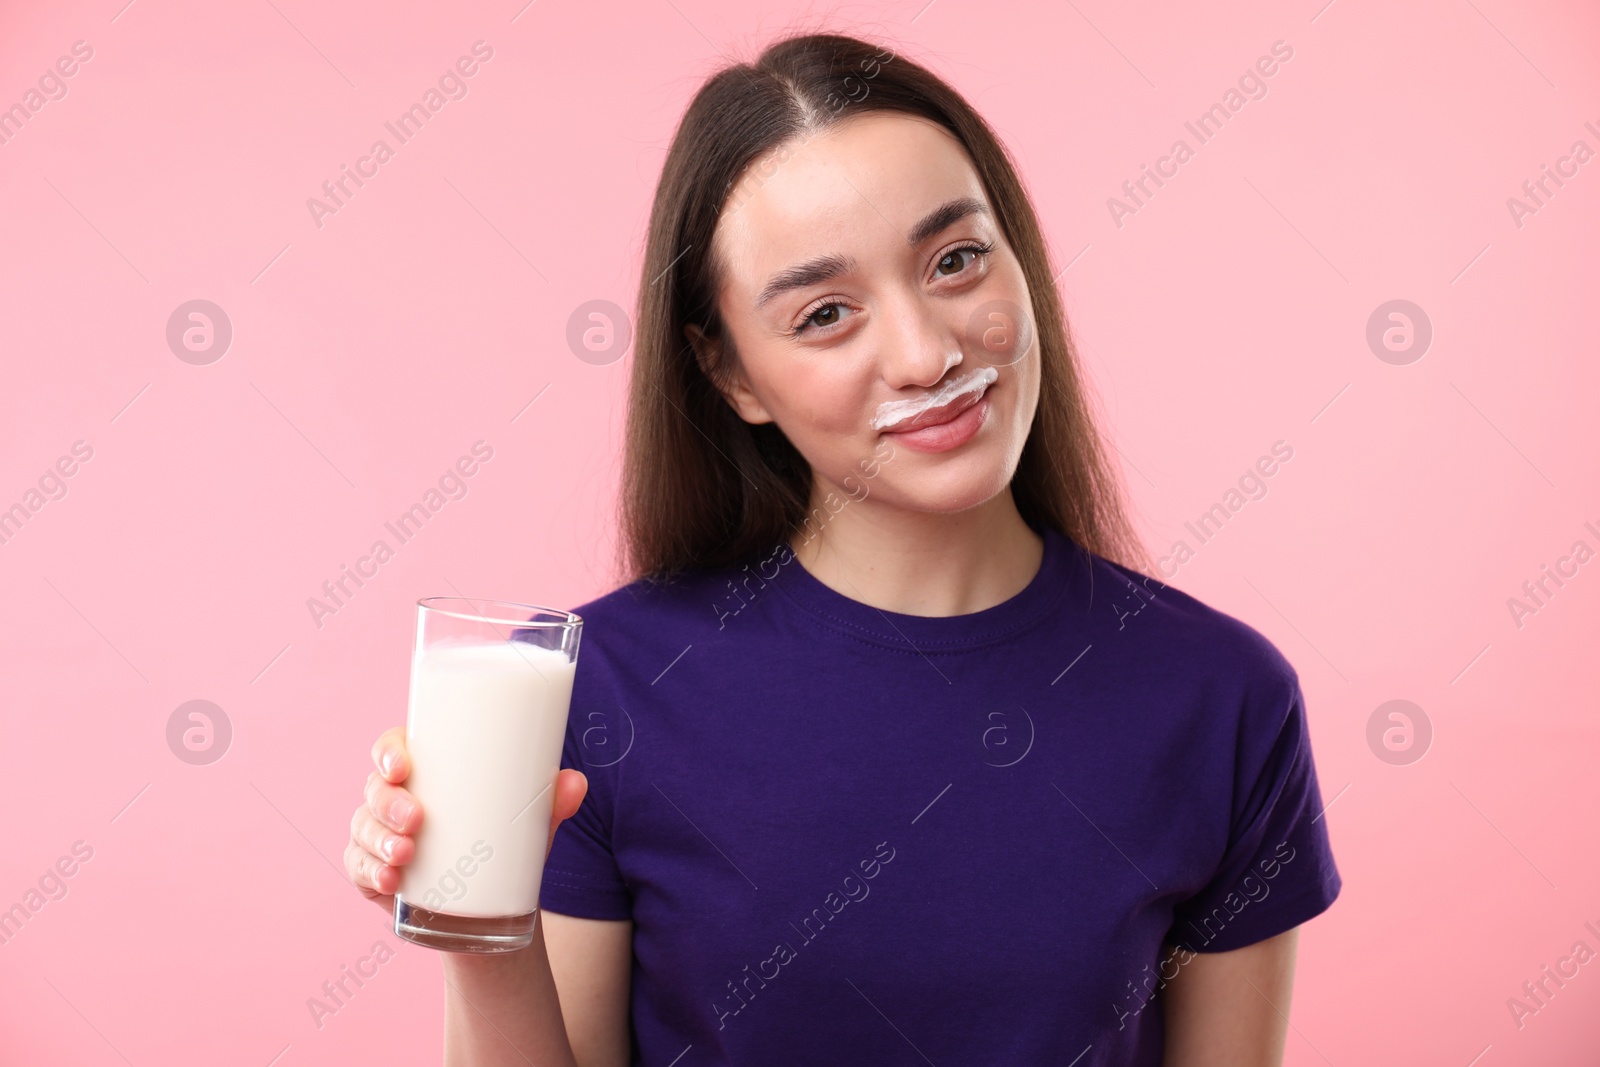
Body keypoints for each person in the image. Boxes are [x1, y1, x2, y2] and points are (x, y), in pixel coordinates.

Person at [345, 30, 1341, 1067]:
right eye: (825, 314)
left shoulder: (1221, 698)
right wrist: (477, 931)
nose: (924, 352)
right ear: (729, 373)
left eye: (956, 259)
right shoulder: (600, 691)